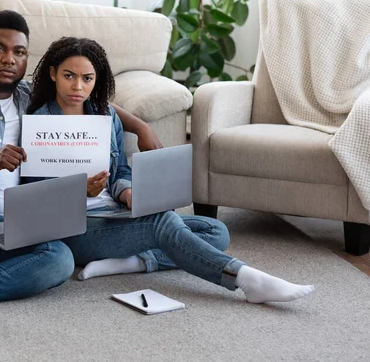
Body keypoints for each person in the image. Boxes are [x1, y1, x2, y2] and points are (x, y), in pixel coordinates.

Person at [0, 10, 168, 336]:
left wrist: (139, 126)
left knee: (59, 259)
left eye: (19, 52)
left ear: (27, 59)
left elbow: (88, 97)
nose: (9, 58)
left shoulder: (30, 98)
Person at [27, 36, 315, 303]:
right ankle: (243, 278)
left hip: (114, 213)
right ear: (53, 74)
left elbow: (119, 171)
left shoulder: (106, 115)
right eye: (69, 76)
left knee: (215, 231)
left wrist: (128, 192)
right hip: (77, 227)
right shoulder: (38, 122)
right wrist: (80, 191)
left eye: (87, 78)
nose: (78, 87)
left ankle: (134, 262)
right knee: (162, 224)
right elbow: (34, 196)